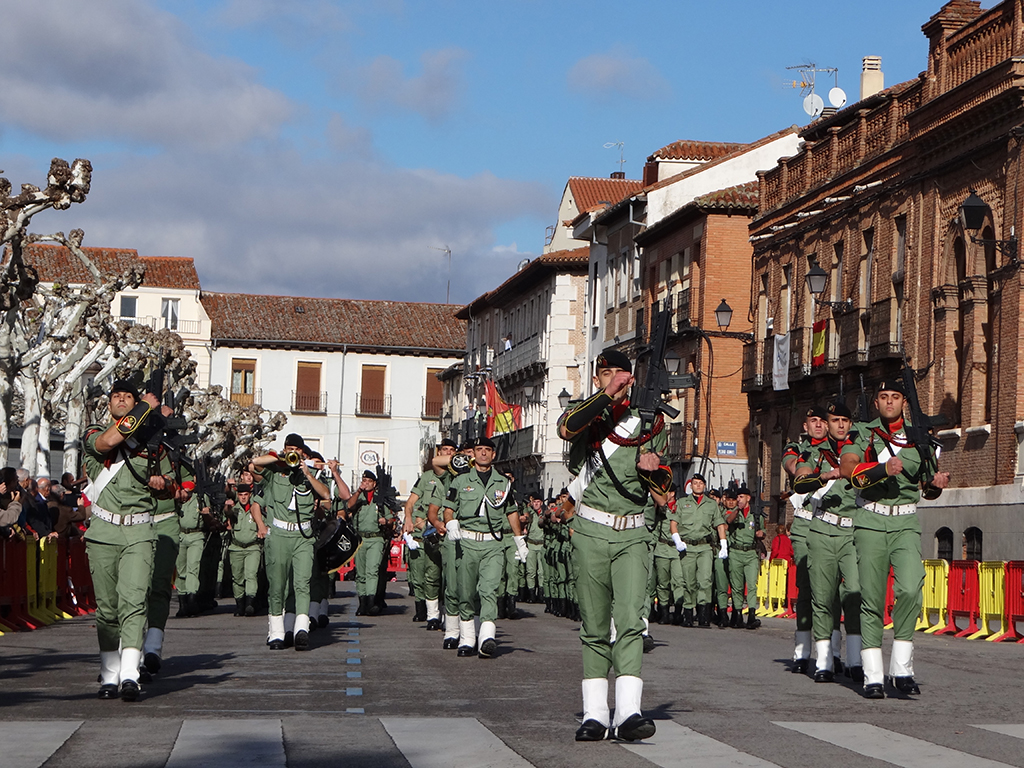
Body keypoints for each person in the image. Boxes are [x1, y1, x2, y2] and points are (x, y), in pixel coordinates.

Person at [558, 348, 670, 743]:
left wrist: (653, 471)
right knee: (592, 623)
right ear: (597, 379)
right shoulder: (587, 413)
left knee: (628, 620)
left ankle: (629, 712)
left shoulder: (651, 420)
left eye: (620, 374)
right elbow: (566, 428)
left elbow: (663, 490)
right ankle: (594, 714)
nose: (614, 379)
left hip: (633, 532)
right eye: (606, 375)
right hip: (590, 529)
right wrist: (609, 397)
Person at [840, 379, 950, 699]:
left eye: (896, 397)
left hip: (904, 521)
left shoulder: (918, 437)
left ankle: (902, 669)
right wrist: (881, 469)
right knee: (872, 598)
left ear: (904, 402)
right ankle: (873, 675)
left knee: (911, 587)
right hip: (871, 521)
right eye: (884, 396)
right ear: (875, 402)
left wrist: (937, 484)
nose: (890, 402)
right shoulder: (862, 433)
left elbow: (927, 488)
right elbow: (851, 472)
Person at [82, 379, 171, 701]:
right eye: (116, 397)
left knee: (133, 602)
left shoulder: (151, 443)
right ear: (110, 404)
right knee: (107, 610)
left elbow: (171, 484)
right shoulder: (92, 431)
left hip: (139, 531)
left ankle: (130, 674)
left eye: (127, 397)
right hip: (103, 531)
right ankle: (109, 674)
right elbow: (108, 443)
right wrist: (146, 406)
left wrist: (162, 483)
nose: (121, 400)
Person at [794, 401, 862, 683]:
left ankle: (855, 659)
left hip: (853, 530)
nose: (841, 425)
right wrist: (821, 476)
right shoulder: (813, 452)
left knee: (854, 594)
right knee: (821, 597)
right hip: (821, 527)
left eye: (846, 420)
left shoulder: (862, 447)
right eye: (835, 420)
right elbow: (799, 479)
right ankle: (823, 660)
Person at [442, 437, 526, 658]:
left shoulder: (503, 482)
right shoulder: (460, 481)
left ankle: (487, 637)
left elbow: (511, 511)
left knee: (489, 590)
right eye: (479, 450)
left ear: (493, 454)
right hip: (467, 542)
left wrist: (519, 539)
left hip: (493, 544)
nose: (482, 454)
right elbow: (448, 508)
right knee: (466, 592)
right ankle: (467, 638)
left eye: (487, 450)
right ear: (474, 454)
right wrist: (450, 522)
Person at [251, 433, 331, 650]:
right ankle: (276, 632)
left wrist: (308, 472)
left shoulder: (310, 472)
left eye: (296, 449)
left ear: (302, 451)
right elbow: (254, 464)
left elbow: (326, 496)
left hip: (303, 536)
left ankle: (301, 629)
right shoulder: (274, 470)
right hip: (278, 535)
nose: (292, 452)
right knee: (277, 585)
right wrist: (279, 456)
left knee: (302, 582)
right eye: (289, 448)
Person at [782, 406, 828, 672]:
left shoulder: (841, 450)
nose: (819, 425)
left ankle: (831, 652)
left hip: (833, 524)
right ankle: (802, 651)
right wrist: (802, 471)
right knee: (807, 588)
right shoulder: (797, 449)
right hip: (806, 522)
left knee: (831, 590)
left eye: (824, 421)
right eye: (814, 421)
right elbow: (790, 465)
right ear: (806, 425)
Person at [403, 440, 455, 628]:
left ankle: (446, 614)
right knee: (430, 574)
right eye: (445, 451)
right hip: (429, 530)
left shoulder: (457, 476)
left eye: (452, 451)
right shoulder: (427, 477)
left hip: (451, 530)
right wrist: (408, 519)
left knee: (448, 577)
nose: (448, 454)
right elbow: (410, 502)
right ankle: (431, 615)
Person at [672, 473, 727, 628]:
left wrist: (723, 544)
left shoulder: (711, 504)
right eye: (695, 483)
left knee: (705, 581)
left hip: (705, 547)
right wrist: (677, 540)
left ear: (704, 485)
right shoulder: (682, 503)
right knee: (689, 582)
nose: (697, 485)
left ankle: (703, 616)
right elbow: (674, 523)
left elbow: (719, 524)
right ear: (691, 486)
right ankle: (688, 614)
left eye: (700, 483)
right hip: (687, 547)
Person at [347, 469, 396, 616]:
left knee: (372, 571)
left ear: (374, 484)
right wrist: (357, 492)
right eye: (364, 481)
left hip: (376, 538)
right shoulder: (358, 498)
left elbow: (392, 518)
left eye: (369, 481)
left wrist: (386, 521)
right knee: (360, 573)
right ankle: (362, 603)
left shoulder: (380, 499)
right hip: (360, 538)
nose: (366, 484)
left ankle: (371, 601)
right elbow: (349, 506)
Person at [725, 485, 764, 629]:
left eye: (741, 497)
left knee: (752, 584)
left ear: (748, 498)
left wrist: (762, 534)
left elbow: (763, 530)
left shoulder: (756, 514)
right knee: (737, 586)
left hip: (751, 553)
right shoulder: (735, 512)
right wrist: (738, 509)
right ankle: (738, 614)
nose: (739, 500)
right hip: (736, 552)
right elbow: (729, 521)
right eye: (737, 498)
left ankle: (752, 614)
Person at [227, 483, 266, 617]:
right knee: (237, 577)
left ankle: (250, 603)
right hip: (236, 547)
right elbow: (227, 515)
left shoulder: (255, 509)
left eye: (245, 495)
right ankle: (240, 605)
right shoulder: (234, 509)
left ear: (250, 495)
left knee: (251, 575)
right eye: (240, 495)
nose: (243, 498)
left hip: (252, 547)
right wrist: (227, 507)